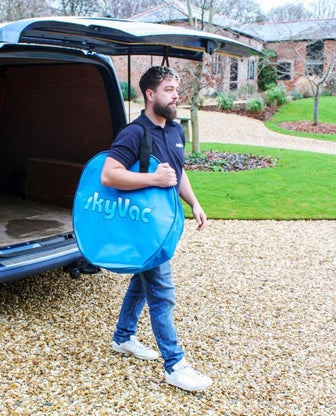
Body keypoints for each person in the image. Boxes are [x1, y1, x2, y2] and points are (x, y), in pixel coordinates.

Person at [101, 66, 212, 392]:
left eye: (176, 89)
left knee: (142, 280)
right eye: (168, 89)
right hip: (141, 228)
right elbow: (109, 175)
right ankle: (174, 365)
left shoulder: (176, 131)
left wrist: (194, 202)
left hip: (166, 225)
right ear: (150, 95)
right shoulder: (134, 133)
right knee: (162, 293)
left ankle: (123, 337)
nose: (176, 95)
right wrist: (152, 179)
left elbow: (178, 174)